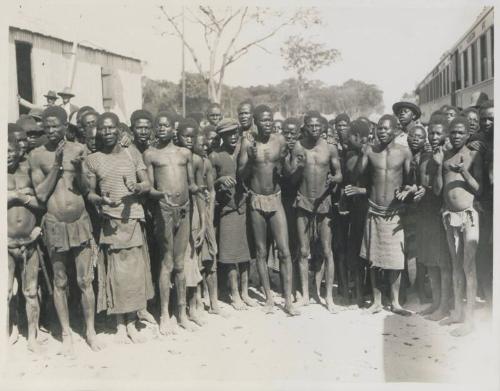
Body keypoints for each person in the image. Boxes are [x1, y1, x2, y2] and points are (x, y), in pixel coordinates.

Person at [29, 106, 102, 355]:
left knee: (84, 280)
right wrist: (57, 165)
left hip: (80, 222)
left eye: (54, 126)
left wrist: (79, 169)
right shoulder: (37, 155)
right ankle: (67, 334)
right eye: (46, 127)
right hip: (55, 224)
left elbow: (85, 189)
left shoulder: (79, 149)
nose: (50, 130)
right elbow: (40, 195)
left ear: (64, 126)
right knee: (60, 281)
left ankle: (90, 331)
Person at [86, 112, 154, 343]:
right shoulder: (93, 159)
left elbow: (147, 184)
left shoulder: (131, 152)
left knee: (134, 274)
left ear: (118, 129)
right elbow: (90, 194)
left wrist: (138, 188)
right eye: (102, 129)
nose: (106, 132)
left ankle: (132, 321)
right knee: (116, 274)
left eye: (111, 128)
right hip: (111, 222)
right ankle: (119, 324)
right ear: (97, 131)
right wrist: (101, 200)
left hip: (132, 218)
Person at [238, 105, 299, 316]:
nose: (267, 123)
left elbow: (288, 173)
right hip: (256, 200)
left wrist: (292, 159)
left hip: (275, 199)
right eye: (263, 120)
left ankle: (288, 301)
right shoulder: (248, 142)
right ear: (255, 121)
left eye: (269, 119)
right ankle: (269, 300)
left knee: (285, 251)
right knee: (261, 252)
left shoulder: (280, 140)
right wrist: (251, 159)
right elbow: (241, 174)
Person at [356, 114, 416, 316]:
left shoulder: (404, 153)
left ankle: (396, 302)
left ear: (395, 130)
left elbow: (410, 181)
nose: (381, 131)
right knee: (373, 259)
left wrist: (406, 191)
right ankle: (376, 301)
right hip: (374, 210)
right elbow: (359, 177)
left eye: (386, 128)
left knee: (395, 260)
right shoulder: (370, 151)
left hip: (394, 213)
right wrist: (364, 152)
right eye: (379, 128)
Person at [143, 115, 198, 334]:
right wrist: (160, 195)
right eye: (159, 126)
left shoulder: (185, 153)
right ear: (155, 129)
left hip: (184, 209)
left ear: (172, 128)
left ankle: (182, 313)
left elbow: (192, 183)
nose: (163, 128)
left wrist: (199, 189)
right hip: (164, 211)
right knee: (166, 262)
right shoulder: (150, 155)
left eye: (166, 125)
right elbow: (149, 187)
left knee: (180, 264)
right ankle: (165, 315)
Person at [287, 111, 342, 312]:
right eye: (310, 125)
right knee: (303, 251)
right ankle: (305, 295)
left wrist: (334, 180)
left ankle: (328, 297)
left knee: (327, 251)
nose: (314, 129)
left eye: (318, 126)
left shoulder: (331, 148)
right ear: (305, 126)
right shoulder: (298, 147)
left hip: (324, 202)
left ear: (323, 127)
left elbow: (340, 175)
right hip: (303, 201)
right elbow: (292, 180)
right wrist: (299, 168)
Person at [433, 116, 482, 336]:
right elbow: (437, 190)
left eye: (461, 133)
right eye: (453, 132)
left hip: (468, 215)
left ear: (467, 134)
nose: (456, 136)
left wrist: (463, 171)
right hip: (449, 216)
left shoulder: (472, 155)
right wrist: (437, 167)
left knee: (468, 266)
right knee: (455, 265)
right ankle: (457, 313)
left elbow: (478, 188)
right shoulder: (444, 157)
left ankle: (470, 320)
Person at [8, 136, 45, 353]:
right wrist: (12, 196)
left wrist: (38, 227)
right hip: (6, 243)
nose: (7, 155)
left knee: (31, 291)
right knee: (5, 293)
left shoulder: (29, 173)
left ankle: (32, 336)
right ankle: (10, 331)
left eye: (10, 150)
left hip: (30, 241)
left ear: (18, 151)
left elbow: (43, 202)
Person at [414, 116, 452, 321]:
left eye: (439, 133)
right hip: (425, 214)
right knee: (430, 262)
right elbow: (423, 185)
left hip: (439, 215)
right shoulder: (423, 156)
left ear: (445, 134)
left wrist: (439, 166)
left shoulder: (449, 156)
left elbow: (439, 190)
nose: (434, 136)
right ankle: (436, 303)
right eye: (432, 132)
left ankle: (445, 306)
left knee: (443, 263)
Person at [176, 120, 206, 326]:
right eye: (184, 136)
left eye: (192, 137)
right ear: (177, 136)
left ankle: (193, 306)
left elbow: (200, 193)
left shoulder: (197, 160)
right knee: (176, 263)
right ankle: (178, 309)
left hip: (193, 212)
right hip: (175, 212)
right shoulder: (173, 157)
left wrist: (203, 222)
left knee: (192, 259)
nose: (188, 140)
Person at [192, 131, 221, 315]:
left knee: (210, 259)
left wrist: (209, 213)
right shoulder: (188, 160)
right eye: (200, 144)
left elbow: (211, 190)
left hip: (205, 212)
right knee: (194, 260)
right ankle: (195, 302)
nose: (204, 147)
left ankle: (214, 302)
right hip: (191, 212)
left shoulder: (206, 163)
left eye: (206, 145)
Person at [342, 119, 370, 307]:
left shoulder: (372, 153)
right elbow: (350, 178)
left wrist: (361, 191)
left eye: (350, 135)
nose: (346, 137)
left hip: (369, 207)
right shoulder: (350, 155)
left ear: (359, 137)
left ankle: (371, 290)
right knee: (355, 252)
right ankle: (359, 292)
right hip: (355, 210)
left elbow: (377, 184)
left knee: (369, 251)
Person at [476, 100, 493, 305]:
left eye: (491, 119)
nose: (487, 123)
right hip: (485, 205)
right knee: (484, 253)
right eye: (483, 119)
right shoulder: (477, 141)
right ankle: (489, 300)